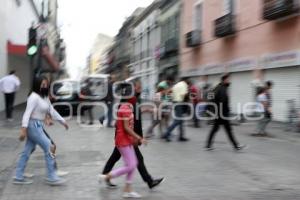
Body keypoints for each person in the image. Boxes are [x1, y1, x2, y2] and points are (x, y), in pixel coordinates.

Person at [100, 79, 164, 190]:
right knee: (137, 159)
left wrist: (146, 109)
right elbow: (127, 119)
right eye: (138, 87)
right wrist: (136, 137)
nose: (140, 88)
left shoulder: (133, 98)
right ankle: (148, 181)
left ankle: (105, 175)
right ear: (132, 88)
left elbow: (135, 113)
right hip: (127, 136)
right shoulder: (129, 99)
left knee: (116, 156)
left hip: (126, 135)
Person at [14, 76, 69, 185]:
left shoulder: (44, 97)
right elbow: (27, 113)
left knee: (27, 150)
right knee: (50, 147)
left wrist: (62, 121)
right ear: (37, 84)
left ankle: (18, 175)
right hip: (32, 125)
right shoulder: (33, 97)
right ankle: (52, 176)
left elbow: (52, 111)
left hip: (38, 126)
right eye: (42, 84)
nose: (45, 86)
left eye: (46, 85)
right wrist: (23, 129)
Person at [98, 83, 148, 198]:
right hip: (123, 141)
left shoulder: (128, 106)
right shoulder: (125, 107)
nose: (135, 93)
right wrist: (139, 137)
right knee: (131, 165)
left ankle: (128, 190)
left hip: (128, 140)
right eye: (134, 92)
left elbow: (123, 123)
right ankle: (106, 176)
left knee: (133, 163)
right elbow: (126, 127)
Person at [205, 74, 246, 151]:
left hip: (218, 113)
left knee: (215, 129)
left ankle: (208, 145)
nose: (229, 81)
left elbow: (211, 99)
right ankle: (236, 146)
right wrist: (224, 113)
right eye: (228, 79)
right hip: (222, 114)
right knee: (228, 130)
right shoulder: (222, 89)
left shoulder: (217, 87)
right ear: (224, 80)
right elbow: (222, 102)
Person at [163, 77, 191, 142]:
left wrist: (172, 99)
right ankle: (166, 134)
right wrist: (186, 103)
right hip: (179, 103)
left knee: (180, 121)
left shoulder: (176, 85)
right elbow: (184, 95)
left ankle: (181, 136)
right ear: (186, 82)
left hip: (175, 103)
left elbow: (169, 92)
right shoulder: (184, 85)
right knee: (178, 121)